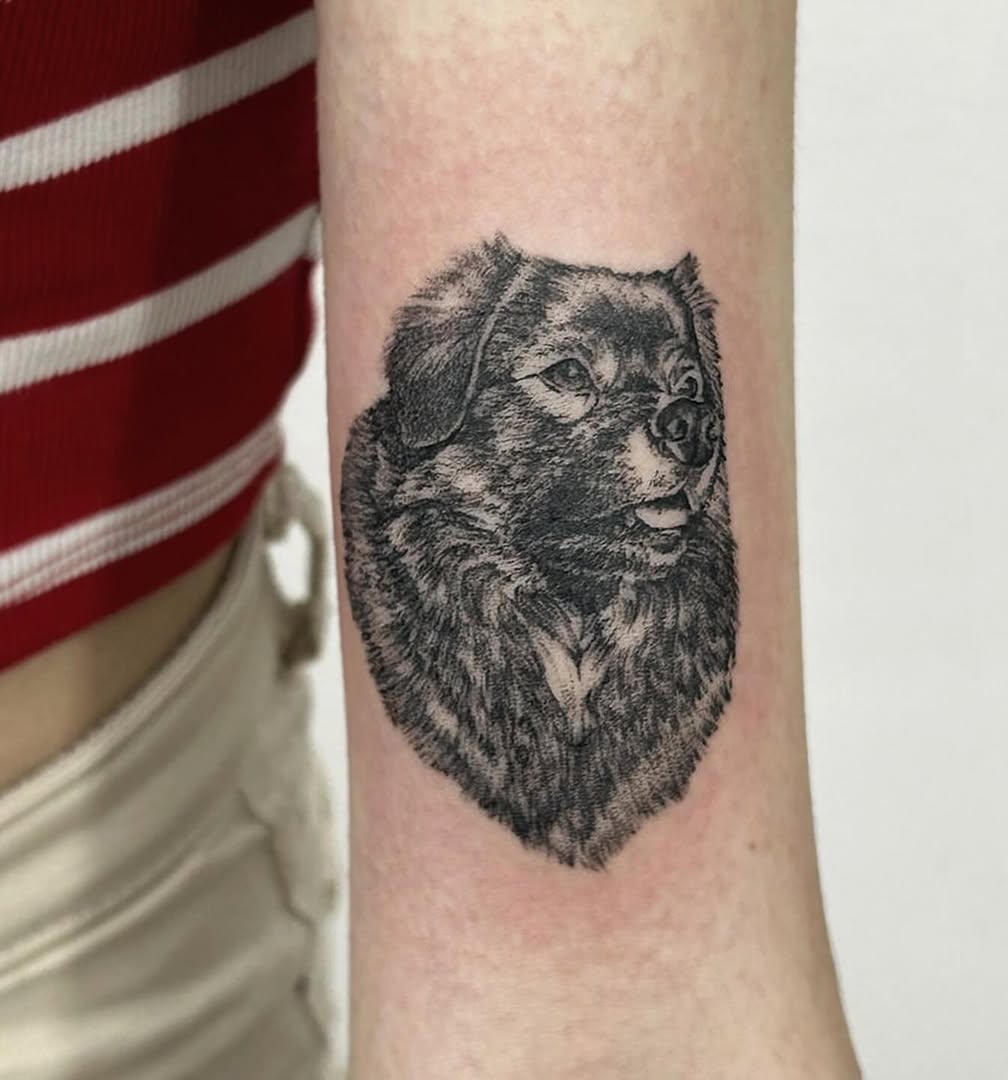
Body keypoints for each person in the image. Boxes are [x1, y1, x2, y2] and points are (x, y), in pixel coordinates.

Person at [0, 2, 859, 1076]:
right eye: (570, 377)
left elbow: (609, 1029)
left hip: (99, 917)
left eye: (685, 393)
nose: (678, 425)